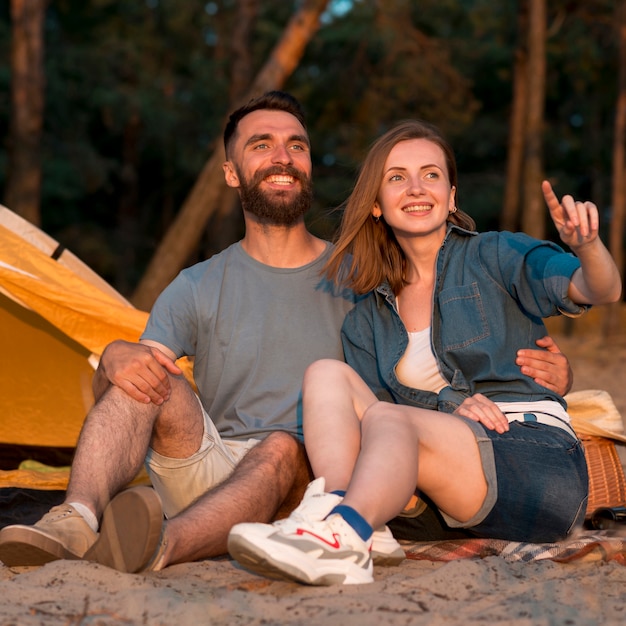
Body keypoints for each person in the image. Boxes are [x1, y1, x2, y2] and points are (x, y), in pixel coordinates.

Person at [0, 98, 572, 573]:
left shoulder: (363, 277)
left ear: (309, 168)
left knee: (278, 447)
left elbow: (437, 355)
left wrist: (543, 373)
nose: (282, 156)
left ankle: (156, 547)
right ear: (232, 173)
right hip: (207, 460)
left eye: (296, 145)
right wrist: (116, 359)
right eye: (261, 145)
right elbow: (121, 398)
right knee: (142, 373)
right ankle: (74, 520)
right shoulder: (197, 284)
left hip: (306, 478)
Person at [227, 119, 622, 586]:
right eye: (397, 177)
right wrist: (449, 408)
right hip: (429, 495)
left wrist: (588, 246)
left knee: (392, 418)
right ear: (376, 204)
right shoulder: (367, 317)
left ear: (451, 196)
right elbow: (369, 428)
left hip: (534, 467)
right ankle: (344, 517)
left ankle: (342, 536)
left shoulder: (494, 256)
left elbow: (598, 287)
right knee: (325, 374)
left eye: (430, 175)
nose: (416, 188)